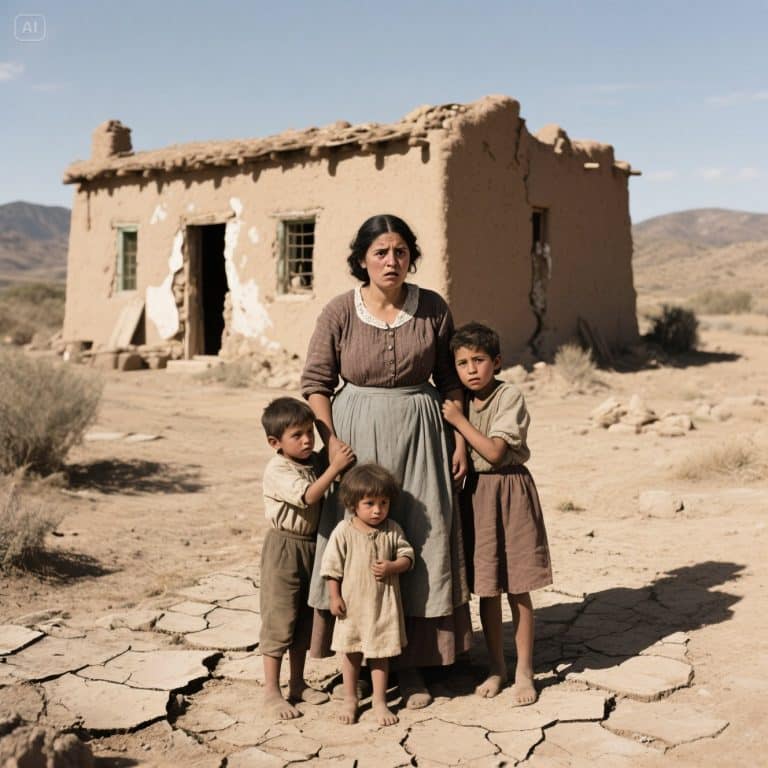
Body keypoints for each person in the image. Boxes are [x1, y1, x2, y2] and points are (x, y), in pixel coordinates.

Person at [301, 214, 471, 709]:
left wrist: (458, 440)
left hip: (421, 435)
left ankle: (414, 667)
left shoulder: (433, 308)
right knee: (354, 544)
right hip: (355, 438)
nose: (391, 261)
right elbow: (316, 381)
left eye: (399, 251)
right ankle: (353, 660)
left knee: (420, 538)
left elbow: (450, 378)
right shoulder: (339, 311)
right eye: (380, 252)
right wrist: (330, 440)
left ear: (410, 257)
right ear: (361, 260)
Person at [441, 322, 552, 705]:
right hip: (476, 497)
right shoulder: (460, 399)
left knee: (517, 586)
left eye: (479, 360)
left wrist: (457, 421)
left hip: (509, 491)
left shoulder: (509, 397)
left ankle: (524, 671)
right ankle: (497, 667)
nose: (471, 370)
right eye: (462, 363)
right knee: (486, 587)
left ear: (497, 362)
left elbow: (494, 453)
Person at [259, 396, 355, 719]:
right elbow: (309, 496)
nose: (306, 440)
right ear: (275, 442)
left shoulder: (313, 461)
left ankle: (297, 683)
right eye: (296, 435)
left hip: (313, 546)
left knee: (303, 617)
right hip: (284, 548)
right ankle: (272, 691)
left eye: (309, 433)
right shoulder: (278, 469)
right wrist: (336, 466)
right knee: (280, 617)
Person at [321, 464, 414, 726]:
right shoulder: (344, 531)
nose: (377, 510)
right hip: (352, 607)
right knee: (350, 653)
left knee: (379, 654)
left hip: (382, 607)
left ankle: (379, 701)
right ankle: (350, 698)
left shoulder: (392, 529)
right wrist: (334, 597)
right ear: (353, 504)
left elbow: (408, 556)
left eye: (383, 503)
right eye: (369, 503)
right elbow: (331, 568)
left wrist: (393, 566)